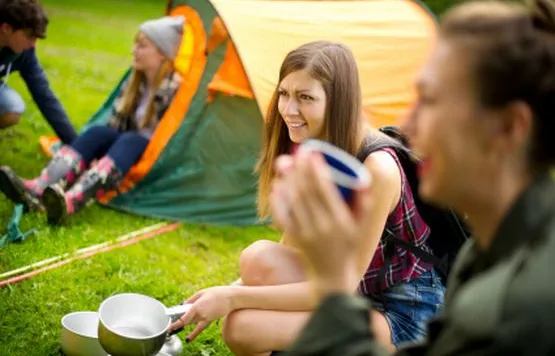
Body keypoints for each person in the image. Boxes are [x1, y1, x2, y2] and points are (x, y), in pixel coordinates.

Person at [271, 0, 555, 355]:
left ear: (509, 128)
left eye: (431, 100)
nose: (406, 127)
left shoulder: (523, 311)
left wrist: (331, 287)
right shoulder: (491, 250)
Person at [170, 41, 446, 354]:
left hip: (403, 311)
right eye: (284, 93)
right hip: (359, 289)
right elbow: (293, 246)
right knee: (257, 258)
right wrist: (219, 296)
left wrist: (232, 298)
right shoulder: (320, 143)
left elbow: (339, 287)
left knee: (243, 327)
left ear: (339, 101)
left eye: (305, 97)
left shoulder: (378, 169)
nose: (288, 110)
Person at [0, 15, 185, 224]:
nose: (134, 50)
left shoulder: (176, 89)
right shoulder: (135, 81)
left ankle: (70, 202)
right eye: (135, 44)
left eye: (142, 46)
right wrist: (101, 152)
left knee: (131, 140)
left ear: (162, 53)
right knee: (98, 132)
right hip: (123, 148)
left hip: (147, 153)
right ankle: (39, 188)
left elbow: (173, 140)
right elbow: (116, 123)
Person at [0, 0, 77, 144]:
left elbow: (45, 96)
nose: (33, 44)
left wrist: (77, 147)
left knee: (12, 106)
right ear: (6, 28)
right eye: (29, 36)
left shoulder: (24, 54)